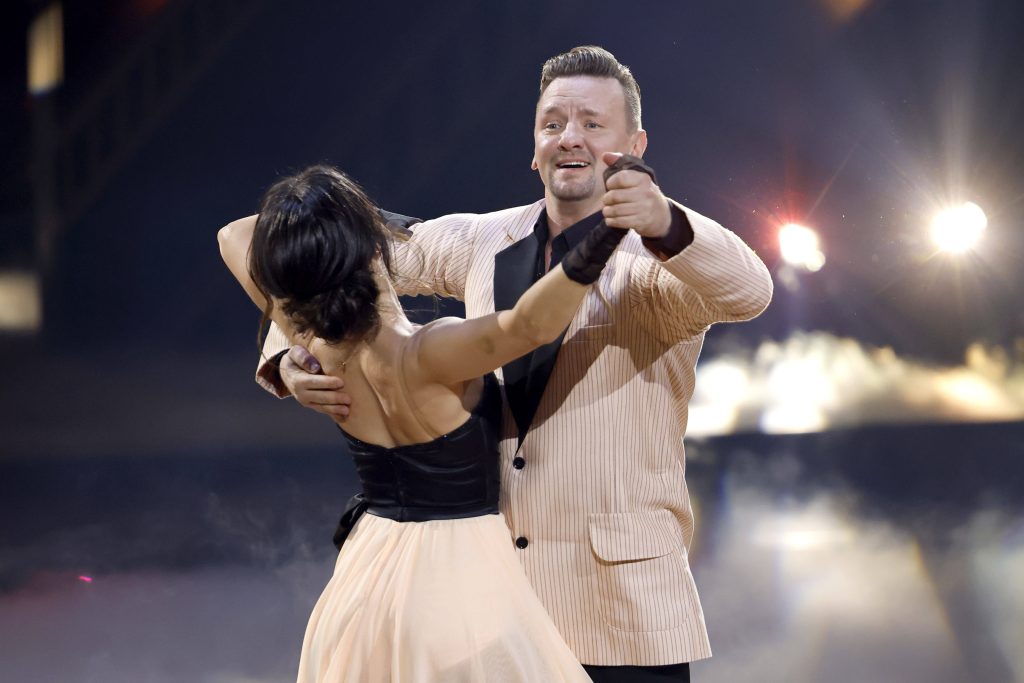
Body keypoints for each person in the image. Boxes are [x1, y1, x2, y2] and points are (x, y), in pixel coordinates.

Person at [256, 47, 773, 681]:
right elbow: (320, 256)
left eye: (592, 123)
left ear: (635, 145)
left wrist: (665, 221)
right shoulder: (480, 239)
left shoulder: (654, 262)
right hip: (491, 611)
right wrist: (292, 353)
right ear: (534, 148)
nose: (570, 137)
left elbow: (749, 292)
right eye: (553, 123)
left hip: (622, 614)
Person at [221, 163, 648, 681]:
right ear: (374, 246)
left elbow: (233, 234)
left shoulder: (315, 345)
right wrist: (604, 236)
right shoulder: (427, 350)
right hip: (458, 584)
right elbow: (530, 325)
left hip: (366, 578)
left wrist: (321, 222)